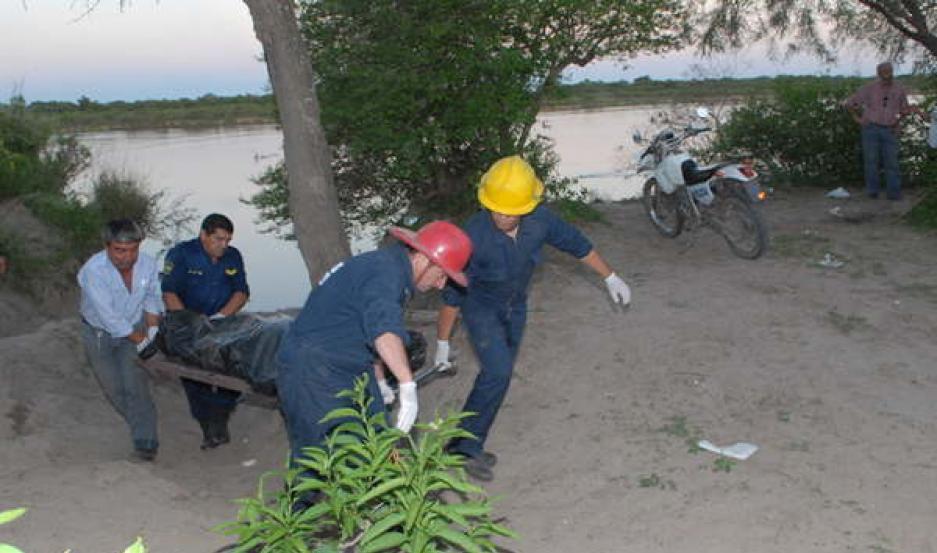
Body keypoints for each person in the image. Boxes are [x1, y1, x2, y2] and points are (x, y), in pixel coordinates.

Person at [434, 155, 632, 481]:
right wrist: (442, 342)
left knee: (498, 374)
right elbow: (453, 295)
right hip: (480, 306)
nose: (501, 215)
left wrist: (610, 277)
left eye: (510, 210)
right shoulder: (473, 236)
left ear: (527, 206)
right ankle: (465, 449)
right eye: (496, 207)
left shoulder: (541, 221)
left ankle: (462, 441)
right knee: (497, 371)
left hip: (516, 305)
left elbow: (577, 245)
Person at [275, 221, 472, 468]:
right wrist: (407, 384)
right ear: (423, 258)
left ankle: (384, 496)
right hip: (313, 368)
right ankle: (299, 506)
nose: (441, 284)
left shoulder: (390, 269)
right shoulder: (386, 273)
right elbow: (384, 331)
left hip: (346, 364)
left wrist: (379, 381)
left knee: (380, 438)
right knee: (318, 460)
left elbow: (369, 331)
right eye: (442, 274)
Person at [161, 213, 250, 449]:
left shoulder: (233, 256)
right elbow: (169, 293)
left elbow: (241, 292)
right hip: (187, 323)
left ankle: (220, 419)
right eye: (218, 239)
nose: (224, 245)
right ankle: (208, 426)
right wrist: (191, 324)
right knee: (194, 376)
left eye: (227, 240)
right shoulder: (181, 254)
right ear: (203, 235)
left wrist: (221, 317)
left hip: (222, 323)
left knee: (232, 373)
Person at [77, 219, 162, 461]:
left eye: (133, 249)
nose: (127, 256)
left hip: (133, 329)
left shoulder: (147, 265)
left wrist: (153, 329)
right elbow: (110, 317)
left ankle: (146, 443)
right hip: (99, 334)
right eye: (120, 250)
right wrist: (142, 341)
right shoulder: (93, 271)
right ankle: (141, 419)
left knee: (134, 385)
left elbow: (152, 298)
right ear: (107, 246)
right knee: (115, 389)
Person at [844, 61, 924, 200]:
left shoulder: (899, 89)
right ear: (879, 73)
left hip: (890, 129)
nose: (888, 74)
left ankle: (894, 194)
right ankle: (872, 192)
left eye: (890, 71)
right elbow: (850, 103)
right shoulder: (869, 88)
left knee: (892, 163)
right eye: (885, 72)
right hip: (871, 129)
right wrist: (858, 119)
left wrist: (901, 121)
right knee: (871, 161)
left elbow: (903, 109)